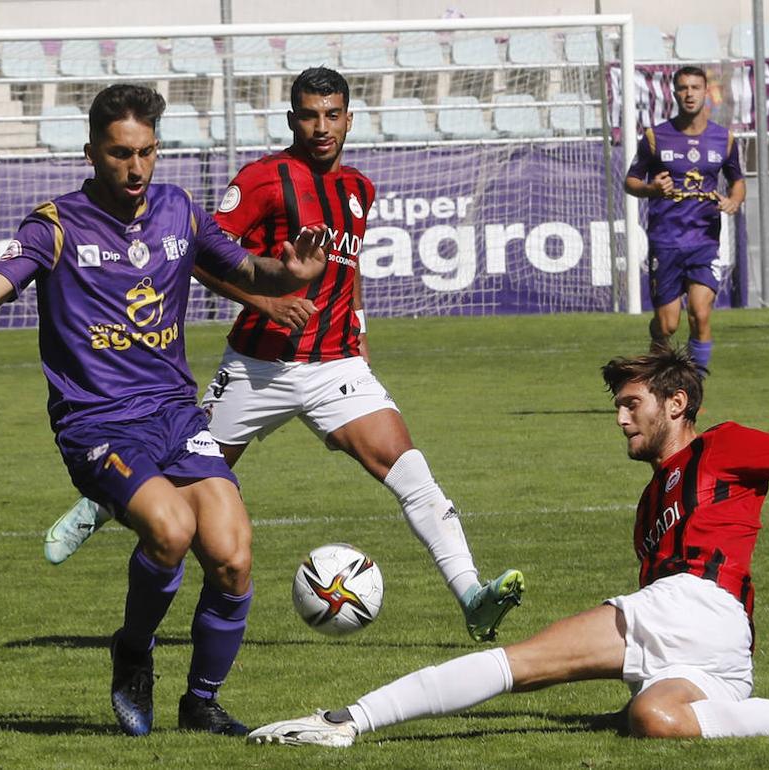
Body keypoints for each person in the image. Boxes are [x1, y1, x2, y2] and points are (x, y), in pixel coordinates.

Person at [243, 344, 769, 748]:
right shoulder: (653, 498)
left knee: (517, 665)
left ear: (676, 404)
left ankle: (351, 719)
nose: (620, 419)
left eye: (631, 405)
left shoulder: (725, 446)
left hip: (698, 605)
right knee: (654, 721)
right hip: (721, 649)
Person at [0, 84, 329, 738]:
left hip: (174, 416)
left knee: (234, 556)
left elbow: (246, 269)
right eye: (121, 154)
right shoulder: (57, 224)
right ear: (93, 152)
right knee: (172, 530)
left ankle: (201, 704)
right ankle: (132, 649)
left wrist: (289, 272)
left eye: (147, 153)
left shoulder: (178, 210)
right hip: (96, 422)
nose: (136, 168)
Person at [43, 67, 526, 644]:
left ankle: (471, 594)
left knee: (412, 473)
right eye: (309, 115)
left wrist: (359, 329)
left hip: (336, 366)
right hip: (257, 367)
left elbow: (349, 269)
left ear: (349, 118)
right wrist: (267, 304)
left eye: (332, 115)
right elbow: (195, 255)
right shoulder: (263, 180)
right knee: (171, 468)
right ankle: (98, 501)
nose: (321, 127)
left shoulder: (358, 189)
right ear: (291, 119)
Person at [623, 66, 746, 377]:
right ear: (674, 93)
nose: (689, 93)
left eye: (695, 87)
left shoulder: (724, 139)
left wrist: (734, 200)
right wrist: (651, 188)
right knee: (668, 324)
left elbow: (738, 181)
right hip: (666, 240)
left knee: (700, 314)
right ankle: (656, 350)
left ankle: (694, 390)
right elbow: (631, 181)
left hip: (704, 241)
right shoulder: (655, 137)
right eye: (683, 88)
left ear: (707, 92)